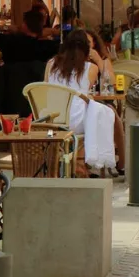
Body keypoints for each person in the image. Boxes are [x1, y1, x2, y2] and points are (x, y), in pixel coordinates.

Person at [43, 32, 119, 177]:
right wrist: (99, 60)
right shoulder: (91, 68)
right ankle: (80, 163)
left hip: (51, 119)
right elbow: (103, 82)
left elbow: (46, 87)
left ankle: (75, 163)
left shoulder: (50, 64)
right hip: (76, 120)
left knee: (89, 113)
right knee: (94, 115)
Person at [0, 10, 60, 116]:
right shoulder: (46, 46)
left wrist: (5, 28)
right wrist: (53, 32)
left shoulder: (9, 41)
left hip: (9, 96)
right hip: (36, 97)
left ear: (24, 25)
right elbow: (67, 41)